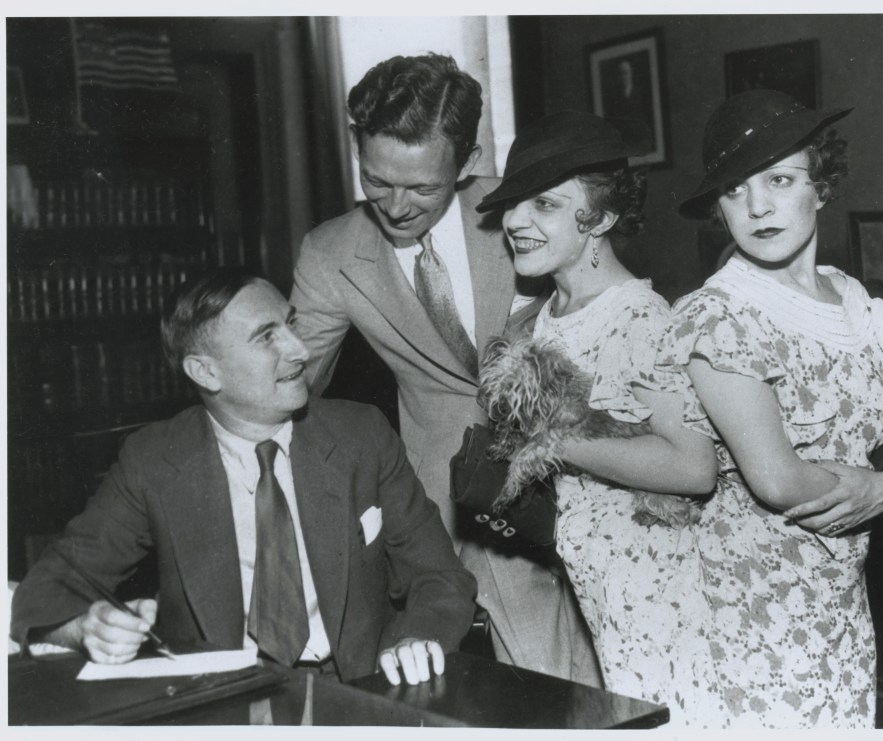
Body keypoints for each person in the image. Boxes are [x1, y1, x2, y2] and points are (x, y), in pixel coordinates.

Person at [289, 54, 602, 685]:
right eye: (377, 181)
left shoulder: (525, 213)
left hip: (576, 474)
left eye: (423, 188)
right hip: (438, 499)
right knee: (436, 687)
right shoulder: (329, 254)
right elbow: (290, 387)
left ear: (467, 163)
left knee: (571, 685)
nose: (397, 207)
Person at [11, 268, 477, 687]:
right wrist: (83, 628)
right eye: (266, 337)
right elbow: (46, 589)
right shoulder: (154, 461)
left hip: (359, 686)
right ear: (205, 372)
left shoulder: (361, 436)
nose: (300, 350)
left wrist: (416, 639)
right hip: (226, 701)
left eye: (291, 324)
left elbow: (440, 577)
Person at [659, 89, 883, 727]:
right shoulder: (717, 317)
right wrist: (882, 486)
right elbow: (778, 480)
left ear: (823, 185)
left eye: (779, 180)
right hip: (751, 620)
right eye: (734, 190)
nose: (757, 206)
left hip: (843, 610)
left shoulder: (857, 303)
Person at [475, 111, 718, 710]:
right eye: (512, 204)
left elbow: (694, 468)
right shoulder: (541, 317)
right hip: (587, 586)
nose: (514, 221)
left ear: (602, 218)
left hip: (657, 600)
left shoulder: (640, 319)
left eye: (545, 205)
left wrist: (551, 442)